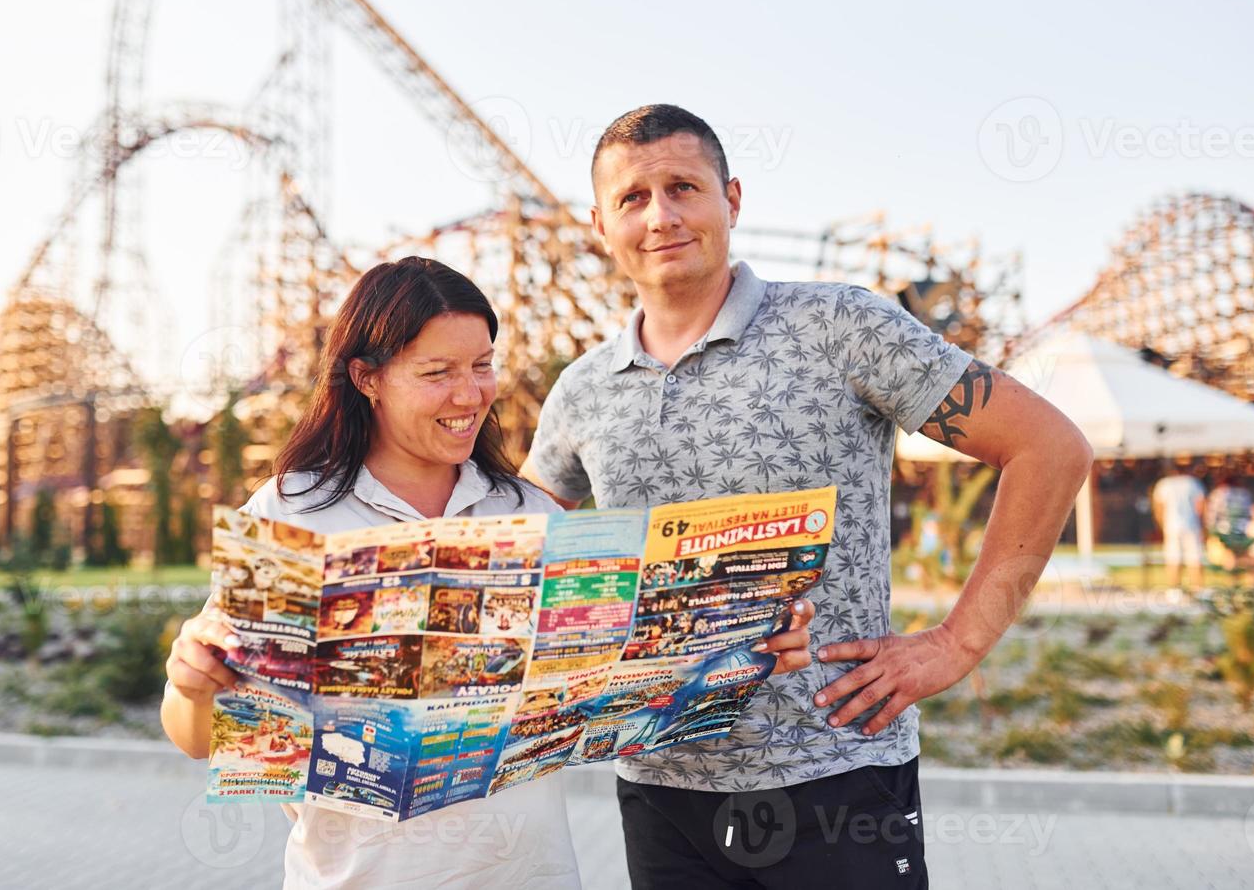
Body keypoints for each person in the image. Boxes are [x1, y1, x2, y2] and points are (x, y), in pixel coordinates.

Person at [522, 105, 1093, 888]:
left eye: (684, 187)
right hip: (660, 792)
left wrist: (957, 644)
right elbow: (524, 565)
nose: (661, 215)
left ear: (733, 198)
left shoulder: (838, 326)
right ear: (599, 223)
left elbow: (1049, 448)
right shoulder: (581, 391)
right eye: (633, 198)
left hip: (837, 773)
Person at [161, 256, 816, 888]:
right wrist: (189, 687)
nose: (469, 394)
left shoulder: (527, 511)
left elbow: (617, 686)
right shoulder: (290, 513)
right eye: (437, 371)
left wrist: (744, 644)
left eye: (482, 365)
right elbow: (201, 737)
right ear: (367, 378)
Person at [1150, 470, 1206, 595]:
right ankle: (1198, 589)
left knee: (1173, 558)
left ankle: (1174, 591)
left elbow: (1159, 507)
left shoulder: (1164, 484)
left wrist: (1162, 524)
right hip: (1192, 526)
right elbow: (1200, 506)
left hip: (1172, 526)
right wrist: (1202, 525)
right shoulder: (1193, 483)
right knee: (1194, 558)